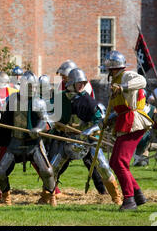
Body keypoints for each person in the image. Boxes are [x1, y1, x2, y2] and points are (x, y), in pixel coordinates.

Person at [47, 68, 122, 205]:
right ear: (70, 84)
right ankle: (48, 197)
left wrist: (88, 132)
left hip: (88, 141)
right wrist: (53, 124)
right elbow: (49, 115)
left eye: (83, 82)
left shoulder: (88, 101)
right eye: (78, 83)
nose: (81, 85)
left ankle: (116, 197)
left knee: (104, 167)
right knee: (52, 168)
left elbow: (100, 122)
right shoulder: (60, 98)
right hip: (67, 139)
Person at [0, 71, 57, 206]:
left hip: (34, 144)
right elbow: (5, 119)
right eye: (28, 86)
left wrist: (38, 129)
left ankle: (49, 197)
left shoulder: (38, 102)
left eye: (32, 87)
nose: (31, 89)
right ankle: (6, 197)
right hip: (15, 143)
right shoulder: (12, 99)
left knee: (47, 171)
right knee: (0, 172)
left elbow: (46, 121)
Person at [101, 50, 153, 211]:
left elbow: (142, 81)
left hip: (134, 121)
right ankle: (137, 194)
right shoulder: (115, 81)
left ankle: (130, 200)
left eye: (109, 69)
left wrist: (122, 87)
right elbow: (117, 108)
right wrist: (108, 120)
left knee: (119, 162)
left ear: (114, 69)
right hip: (124, 120)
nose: (108, 72)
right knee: (115, 162)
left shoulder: (126, 76)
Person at [0, 72, 18, 199]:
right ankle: (53, 190)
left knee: (2, 165)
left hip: (4, 133)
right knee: (37, 162)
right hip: (20, 131)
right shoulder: (17, 90)